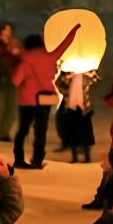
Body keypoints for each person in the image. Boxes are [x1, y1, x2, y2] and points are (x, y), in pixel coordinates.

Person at [9, 26, 78, 168]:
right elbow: (65, 44)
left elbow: (15, 81)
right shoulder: (51, 56)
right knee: (41, 130)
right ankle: (37, 160)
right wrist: (74, 30)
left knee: (23, 130)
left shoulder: (26, 59)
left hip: (27, 100)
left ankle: (19, 159)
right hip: (45, 99)